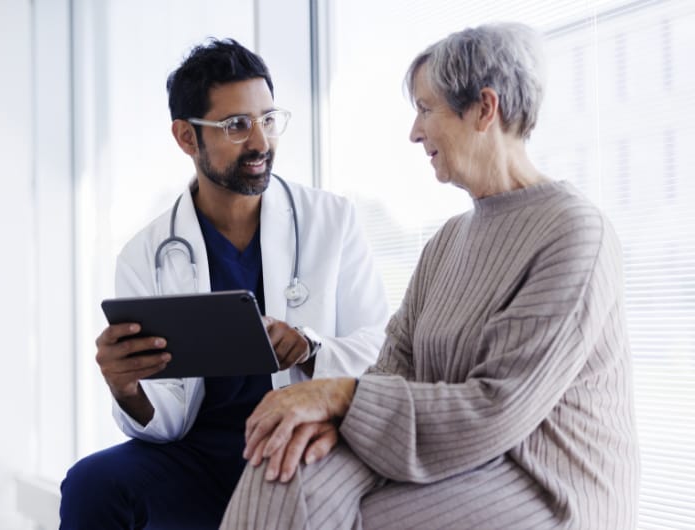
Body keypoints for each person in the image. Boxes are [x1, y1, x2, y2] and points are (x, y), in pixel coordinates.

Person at [221, 22, 640, 529]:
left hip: (544, 480)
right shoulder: (447, 241)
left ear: (485, 108)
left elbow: (497, 408)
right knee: (282, 469)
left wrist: (339, 398)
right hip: (454, 459)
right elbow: (394, 368)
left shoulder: (575, 234)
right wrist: (335, 419)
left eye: (425, 109)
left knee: (360, 515)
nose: (415, 132)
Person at [59, 38, 389, 529]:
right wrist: (127, 388)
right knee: (92, 483)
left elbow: (381, 350)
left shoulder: (332, 221)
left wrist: (309, 347)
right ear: (186, 138)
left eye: (268, 120)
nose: (260, 142)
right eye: (236, 125)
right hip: (197, 455)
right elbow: (167, 419)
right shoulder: (145, 255)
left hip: (296, 441)